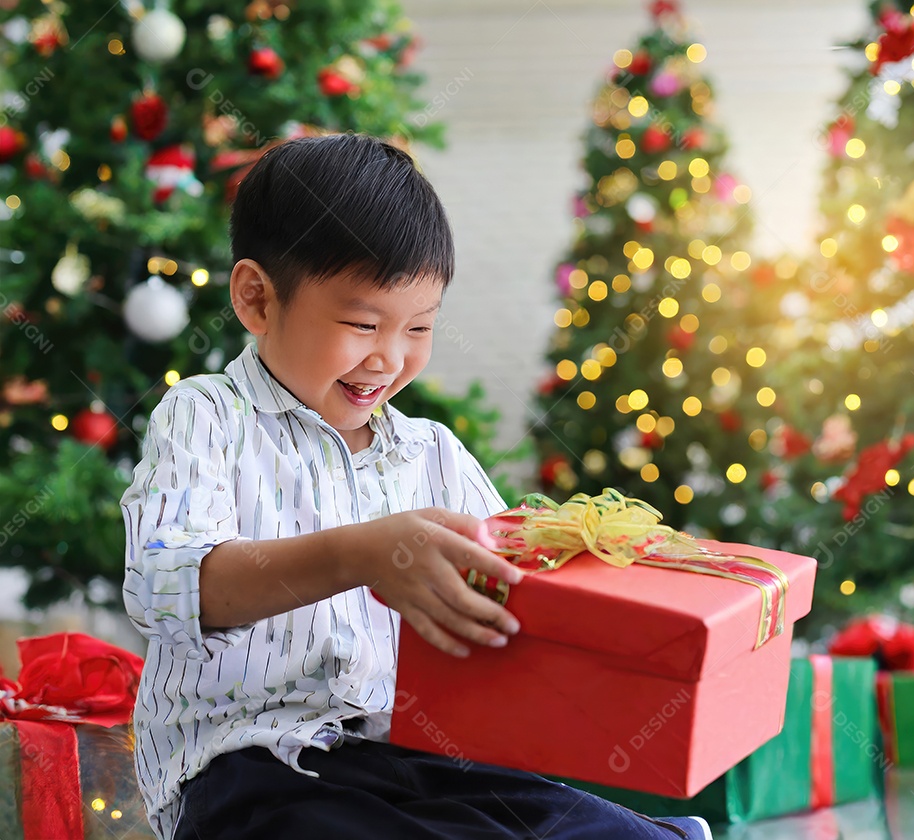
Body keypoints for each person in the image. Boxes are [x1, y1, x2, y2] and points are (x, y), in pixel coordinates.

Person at [122, 133, 712, 840]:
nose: (390, 358)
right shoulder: (206, 415)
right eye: (362, 324)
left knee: (594, 829)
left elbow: (518, 597)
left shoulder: (432, 453)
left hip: (423, 757)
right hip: (252, 768)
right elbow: (166, 588)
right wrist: (361, 554)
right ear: (257, 300)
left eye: (420, 328)